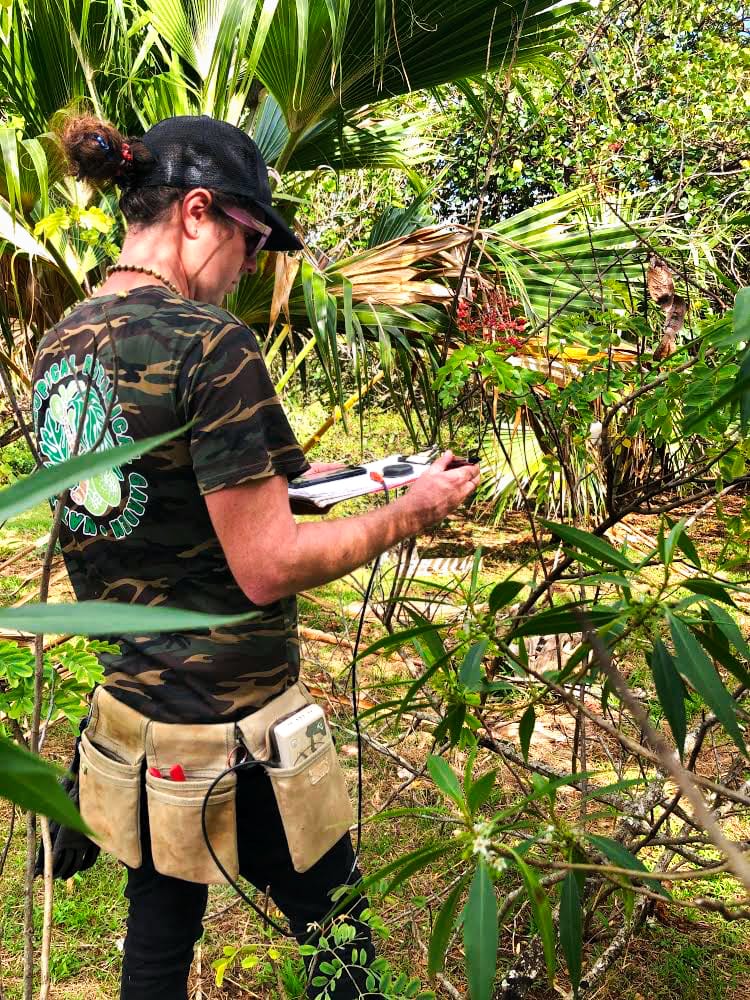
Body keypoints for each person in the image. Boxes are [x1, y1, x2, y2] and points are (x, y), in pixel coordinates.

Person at [31, 114, 480, 1000]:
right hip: (239, 724)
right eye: (252, 239)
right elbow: (267, 562)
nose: (250, 268)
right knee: (336, 937)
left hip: (137, 712)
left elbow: (211, 493)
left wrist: (365, 480)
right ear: (198, 213)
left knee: (157, 933)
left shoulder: (62, 343)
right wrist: (409, 513)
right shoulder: (211, 345)